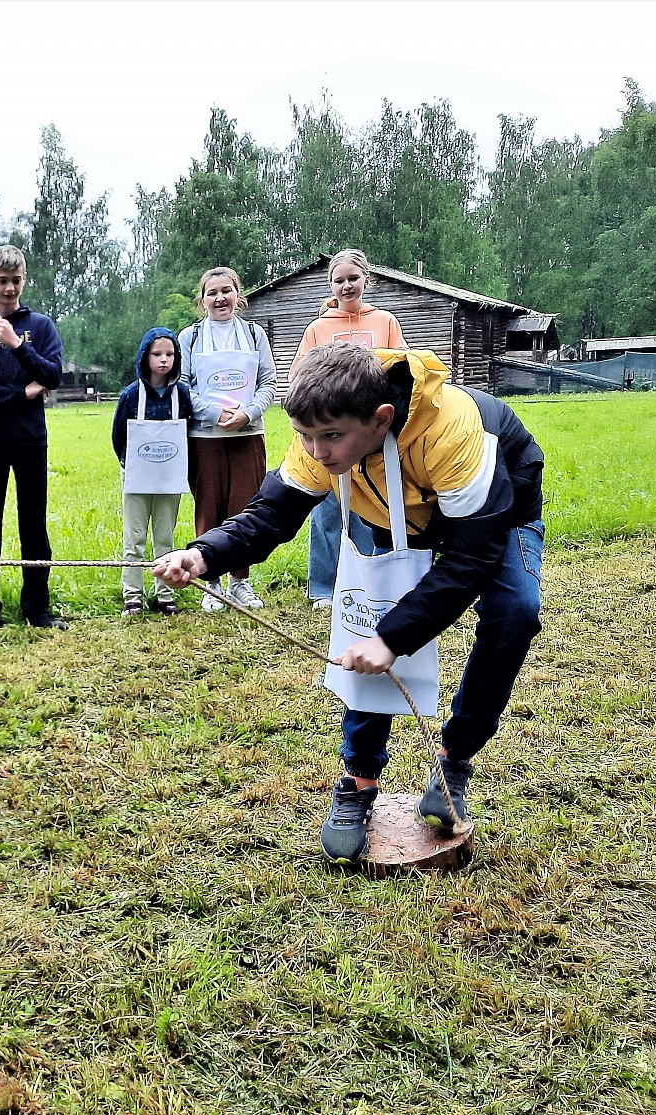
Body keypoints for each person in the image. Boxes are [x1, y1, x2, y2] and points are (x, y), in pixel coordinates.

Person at [153, 342, 544, 864]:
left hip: (495, 509)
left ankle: (452, 762)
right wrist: (204, 554)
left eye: (330, 437)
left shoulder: (452, 430)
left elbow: (470, 558)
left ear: (381, 418)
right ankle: (359, 781)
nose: (317, 451)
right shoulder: (323, 430)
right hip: (388, 507)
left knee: (515, 612)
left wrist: (393, 639)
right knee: (366, 618)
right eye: (304, 436)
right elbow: (271, 514)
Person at [0, 245, 66, 635]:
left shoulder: (40, 326)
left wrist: (18, 345)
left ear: (24, 280)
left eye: (16, 280)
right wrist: (21, 394)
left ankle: (38, 607)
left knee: (34, 524)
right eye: (2, 280)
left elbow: (53, 376)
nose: (9, 288)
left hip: (31, 439)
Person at [295, 249, 405, 609]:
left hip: (370, 434)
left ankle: (368, 582)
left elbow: (402, 368)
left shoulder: (385, 321)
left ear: (366, 281)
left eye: (353, 278)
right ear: (330, 285)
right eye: (339, 280)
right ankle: (325, 588)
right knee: (328, 512)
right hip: (331, 431)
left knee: (371, 507)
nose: (346, 286)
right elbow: (299, 376)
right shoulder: (318, 328)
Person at [178, 266, 277, 612]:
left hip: (248, 435)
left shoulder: (253, 334)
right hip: (205, 437)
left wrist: (248, 413)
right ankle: (212, 583)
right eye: (212, 293)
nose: (220, 298)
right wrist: (214, 414)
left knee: (245, 508)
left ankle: (240, 581)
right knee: (209, 508)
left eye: (226, 291)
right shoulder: (189, 337)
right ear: (202, 299)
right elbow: (182, 386)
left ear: (238, 294)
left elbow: (268, 382)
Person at [112, 326, 191, 615]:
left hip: (170, 477)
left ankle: (164, 594)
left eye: (169, 354)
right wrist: (129, 465)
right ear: (145, 356)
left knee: (165, 537)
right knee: (134, 538)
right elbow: (118, 435)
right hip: (137, 476)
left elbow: (188, 433)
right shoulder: (131, 395)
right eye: (157, 354)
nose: (163, 359)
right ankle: (132, 595)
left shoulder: (182, 395)